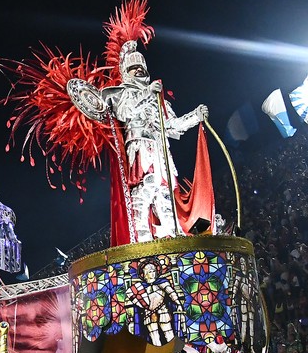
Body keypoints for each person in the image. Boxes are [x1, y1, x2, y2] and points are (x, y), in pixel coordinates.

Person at [66, 40, 209, 243]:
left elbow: (171, 126)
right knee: (143, 193)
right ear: (126, 72)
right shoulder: (121, 94)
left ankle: (175, 240)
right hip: (139, 149)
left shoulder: (159, 99)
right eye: (133, 68)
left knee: (165, 195)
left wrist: (195, 116)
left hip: (161, 152)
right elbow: (125, 112)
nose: (138, 72)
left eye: (141, 68)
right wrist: (147, 93)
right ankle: (141, 242)